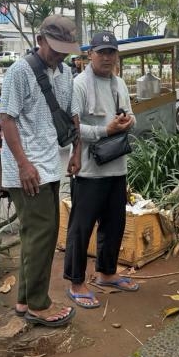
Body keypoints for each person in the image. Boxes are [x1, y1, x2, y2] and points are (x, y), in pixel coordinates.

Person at [0, 15, 81, 327]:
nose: (59, 54)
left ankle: (24, 301)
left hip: (51, 163)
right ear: (40, 40)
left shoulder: (65, 72)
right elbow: (7, 119)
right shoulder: (20, 71)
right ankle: (38, 304)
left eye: (65, 49)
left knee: (37, 234)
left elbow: (72, 113)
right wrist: (23, 164)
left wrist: (77, 151)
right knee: (42, 234)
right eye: (55, 47)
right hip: (28, 168)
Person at [64, 31, 138, 308]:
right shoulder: (79, 85)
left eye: (111, 52)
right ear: (90, 55)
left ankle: (107, 273)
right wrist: (104, 130)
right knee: (81, 229)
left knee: (114, 224)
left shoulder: (119, 83)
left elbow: (131, 114)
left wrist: (129, 121)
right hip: (88, 170)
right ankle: (76, 282)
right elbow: (71, 128)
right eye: (101, 52)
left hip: (117, 166)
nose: (107, 58)